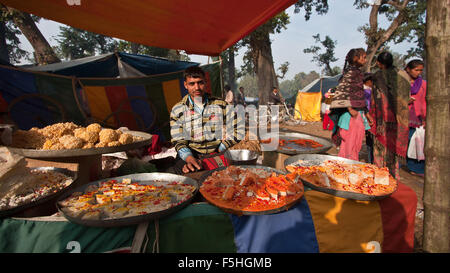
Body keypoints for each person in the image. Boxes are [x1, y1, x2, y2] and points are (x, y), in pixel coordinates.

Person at [170, 66, 240, 174]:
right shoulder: (178, 109)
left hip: (216, 152)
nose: (197, 87)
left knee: (226, 177)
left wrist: (222, 147)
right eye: (192, 84)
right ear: (185, 85)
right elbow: (179, 141)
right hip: (190, 153)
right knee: (185, 175)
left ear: (206, 83)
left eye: (200, 83)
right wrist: (189, 158)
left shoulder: (220, 105)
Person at [369, 52, 410, 179]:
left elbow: (374, 99)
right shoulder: (403, 75)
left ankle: (380, 175)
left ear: (379, 63)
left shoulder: (378, 76)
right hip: (400, 118)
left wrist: (370, 115)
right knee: (393, 148)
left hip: (382, 118)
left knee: (380, 148)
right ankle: (394, 174)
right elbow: (405, 97)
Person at [329, 48, 373, 161]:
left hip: (358, 113)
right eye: (363, 57)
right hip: (351, 115)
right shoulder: (351, 74)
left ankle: (348, 165)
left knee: (355, 143)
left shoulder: (357, 73)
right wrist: (350, 108)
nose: (365, 59)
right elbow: (343, 92)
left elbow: (359, 95)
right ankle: (346, 166)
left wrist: (366, 114)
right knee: (349, 143)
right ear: (355, 58)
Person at [404, 59, 426, 176]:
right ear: (408, 69)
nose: (418, 72)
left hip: (418, 118)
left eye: (420, 70)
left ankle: (416, 168)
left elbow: (425, 102)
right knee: (405, 142)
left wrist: (425, 118)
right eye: (416, 70)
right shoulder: (402, 83)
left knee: (417, 143)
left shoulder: (423, 85)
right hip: (403, 116)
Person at [363, 72, 374, 163]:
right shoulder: (366, 92)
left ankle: (371, 160)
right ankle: (371, 161)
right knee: (370, 141)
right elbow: (367, 106)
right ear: (369, 81)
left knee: (369, 140)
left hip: (367, 117)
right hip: (369, 117)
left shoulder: (366, 90)